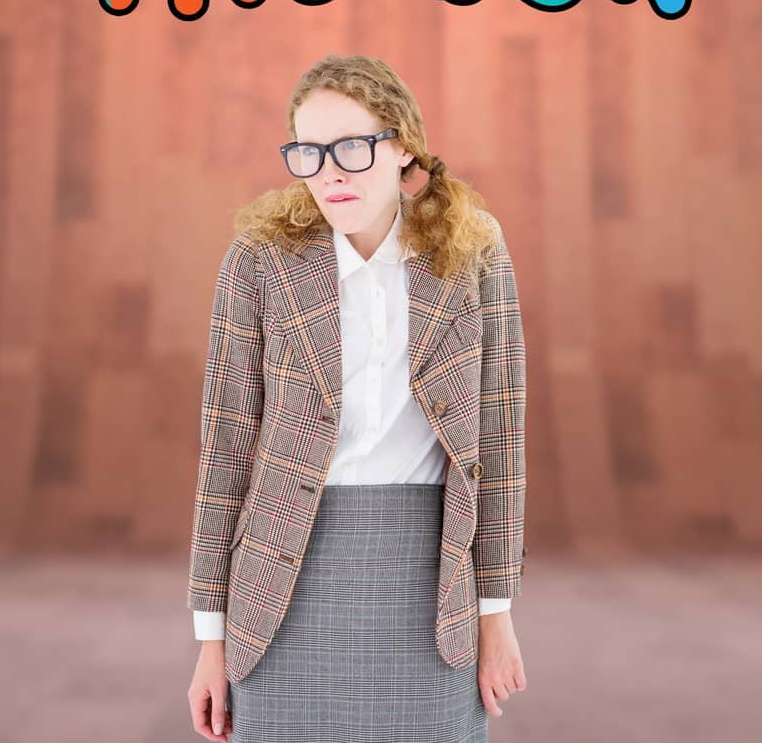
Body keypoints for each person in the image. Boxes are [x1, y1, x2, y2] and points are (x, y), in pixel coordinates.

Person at [185, 53, 529, 741]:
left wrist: (496, 613)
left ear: (402, 147)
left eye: (351, 146)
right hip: (279, 585)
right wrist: (209, 640)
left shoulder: (473, 253)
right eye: (308, 153)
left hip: (431, 587)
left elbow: (500, 441)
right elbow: (225, 453)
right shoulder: (259, 261)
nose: (330, 171)